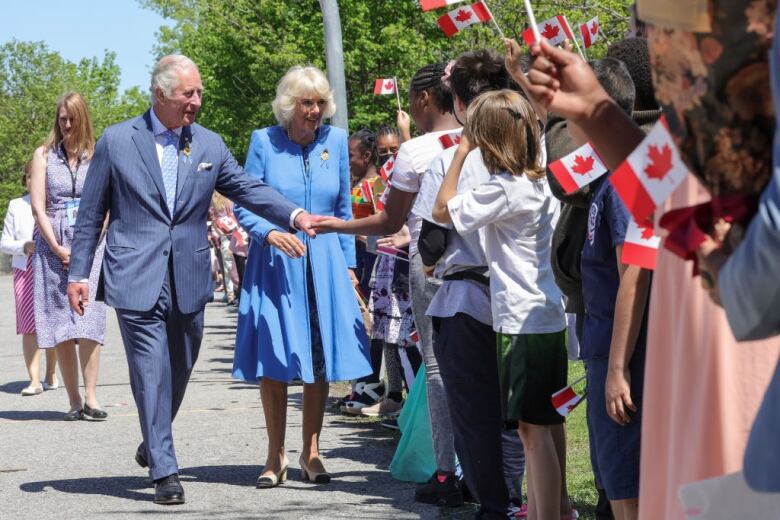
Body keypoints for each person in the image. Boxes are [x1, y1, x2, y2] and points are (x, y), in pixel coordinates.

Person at [524, 8, 780, 516]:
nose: (657, 42)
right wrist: (593, 111)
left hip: (742, 380)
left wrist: (720, 260)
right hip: (693, 377)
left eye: (663, 22)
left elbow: (754, 282)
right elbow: (658, 189)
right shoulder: (695, 117)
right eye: (648, 24)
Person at [67, 55, 320, 506]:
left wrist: (295, 214)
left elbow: (246, 187)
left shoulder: (207, 144)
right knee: (149, 369)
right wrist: (78, 275)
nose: (197, 101)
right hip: (133, 271)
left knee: (180, 367)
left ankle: (153, 437)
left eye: (199, 92)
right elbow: (90, 215)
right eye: (189, 93)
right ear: (161, 94)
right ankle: (165, 471)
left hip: (188, 272)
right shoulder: (117, 140)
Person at [315, 62, 464, 507]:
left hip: (433, 264)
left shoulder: (415, 152)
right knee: (477, 367)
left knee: (436, 366)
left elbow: (392, 219)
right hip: (485, 265)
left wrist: (336, 225)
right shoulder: (483, 135)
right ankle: (484, 468)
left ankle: (446, 469)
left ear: (421, 101)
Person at [231, 65, 371, 489]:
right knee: (274, 358)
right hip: (275, 263)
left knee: (320, 356)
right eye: (307, 103)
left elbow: (344, 209)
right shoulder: (263, 142)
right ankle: (275, 454)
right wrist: (270, 233)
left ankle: (312, 450)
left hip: (326, 263)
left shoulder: (335, 141)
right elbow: (243, 202)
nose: (315, 111)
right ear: (289, 106)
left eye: (320, 103)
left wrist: (348, 267)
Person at [432, 90, 567, 520]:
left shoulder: (504, 188)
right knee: (549, 419)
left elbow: (441, 209)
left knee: (530, 432)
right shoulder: (543, 176)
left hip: (519, 319)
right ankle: (560, 508)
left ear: (489, 140)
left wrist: (461, 150)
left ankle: (545, 513)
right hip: (547, 313)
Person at [414, 49, 520, 519]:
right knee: (521, 415)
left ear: (457, 102)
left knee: (474, 414)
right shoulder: (531, 149)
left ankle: (493, 504)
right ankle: (524, 497)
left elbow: (432, 241)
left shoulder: (451, 161)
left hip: (466, 302)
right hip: (523, 299)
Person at [569, 59, 650, 520]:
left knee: (628, 492)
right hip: (602, 349)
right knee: (614, 481)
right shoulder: (603, 177)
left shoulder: (623, 180)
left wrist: (618, 368)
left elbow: (634, 274)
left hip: (623, 357)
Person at [29, 92, 107, 421]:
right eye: (62, 118)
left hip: (91, 243)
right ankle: (74, 401)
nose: (67, 124)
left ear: (83, 118)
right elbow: (38, 207)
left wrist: (88, 244)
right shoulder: (44, 156)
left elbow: (108, 204)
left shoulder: (98, 155)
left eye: (72, 118)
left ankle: (91, 398)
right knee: (61, 323)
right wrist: (58, 247)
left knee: (89, 321)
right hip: (53, 246)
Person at [1, 162, 58, 395]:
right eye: (30, 176)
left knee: (53, 324)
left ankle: (51, 373)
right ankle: (34, 380)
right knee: (28, 326)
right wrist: (24, 245)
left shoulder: (55, 203)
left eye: (40, 176)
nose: (34, 180)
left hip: (52, 269)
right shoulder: (16, 205)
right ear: (25, 180)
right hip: (25, 271)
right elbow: (4, 242)